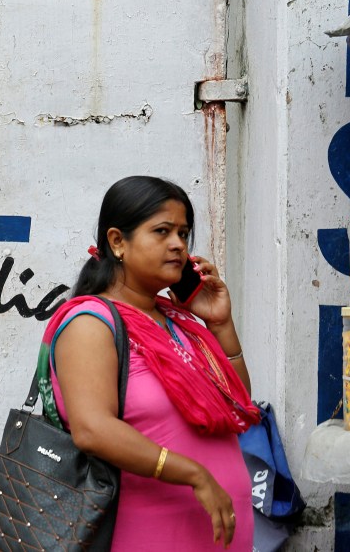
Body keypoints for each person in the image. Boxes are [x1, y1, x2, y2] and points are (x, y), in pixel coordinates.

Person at [41, 176, 260, 550]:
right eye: (162, 231)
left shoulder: (178, 322)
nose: (178, 244)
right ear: (117, 241)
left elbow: (236, 402)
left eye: (183, 233)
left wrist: (220, 324)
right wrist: (194, 474)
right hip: (146, 534)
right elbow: (92, 429)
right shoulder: (91, 323)